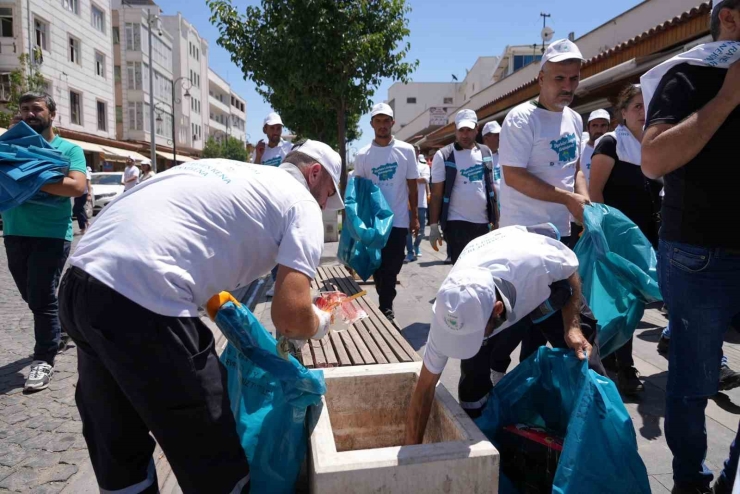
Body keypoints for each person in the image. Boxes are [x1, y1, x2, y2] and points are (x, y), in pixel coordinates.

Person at [58, 140, 343, 494]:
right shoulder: (301, 203)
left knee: (119, 447)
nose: (326, 205)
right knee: (215, 460)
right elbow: (290, 317)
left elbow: (192, 241)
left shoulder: (231, 171)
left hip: (78, 285)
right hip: (145, 297)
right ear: (314, 173)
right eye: (328, 194)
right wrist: (323, 321)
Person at [640, 1, 740, 492]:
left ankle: (732, 477)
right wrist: (727, 98)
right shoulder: (689, 74)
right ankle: (690, 482)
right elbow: (653, 159)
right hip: (699, 256)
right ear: (731, 17)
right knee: (693, 383)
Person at [404, 225, 595, 443]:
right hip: (495, 277)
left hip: (547, 283)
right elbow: (424, 389)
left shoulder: (537, 264)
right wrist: (412, 453)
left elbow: (570, 270)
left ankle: (589, 437)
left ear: (496, 310)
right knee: (472, 385)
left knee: (584, 358)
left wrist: (572, 326)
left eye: (471, 335)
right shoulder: (450, 308)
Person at [1, 92, 87, 392]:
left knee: (41, 294)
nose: (29, 114)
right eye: (24, 109)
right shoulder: (11, 146)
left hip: (51, 233)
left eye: (36, 109)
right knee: (33, 296)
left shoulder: (69, 149)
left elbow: (76, 186)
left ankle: (44, 359)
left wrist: (28, 177)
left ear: (52, 113)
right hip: (14, 230)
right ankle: (63, 328)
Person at [589, 84, 662, 395]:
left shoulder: (655, 143)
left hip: (646, 235)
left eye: (648, 105)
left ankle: (617, 361)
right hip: (616, 237)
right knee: (623, 303)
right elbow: (595, 192)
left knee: (636, 303)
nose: (643, 112)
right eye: (637, 106)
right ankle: (625, 367)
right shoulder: (610, 144)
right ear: (623, 112)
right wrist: (602, 234)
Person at [498, 39, 590, 248]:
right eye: (559, 78)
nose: (567, 86)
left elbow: (575, 170)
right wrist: (568, 199)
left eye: (573, 78)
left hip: (563, 231)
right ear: (541, 78)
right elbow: (513, 176)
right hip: (524, 232)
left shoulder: (574, 118)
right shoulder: (521, 118)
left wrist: (585, 205)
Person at [354, 103, 419, 320]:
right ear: (372, 124)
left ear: (392, 122)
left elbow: (412, 185)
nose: (382, 125)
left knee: (393, 264)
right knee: (378, 266)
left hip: (398, 220)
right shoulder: (363, 154)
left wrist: (415, 217)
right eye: (378, 121)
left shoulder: (406, 150)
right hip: (374, 223)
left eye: (386, 121)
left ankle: (385, 302)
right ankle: (386, 306)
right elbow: (360, 190)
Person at [428, 109, 499, 264]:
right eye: (461, 130)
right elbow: (437, 194)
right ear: (455, 130)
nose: (465, 135)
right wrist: (434, 226)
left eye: (469, 130)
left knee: (482, 270)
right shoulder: (444, 155)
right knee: (462, 271)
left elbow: (490, 187)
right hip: (456, 224)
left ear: (477, 129)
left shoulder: (485, 152)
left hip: (483, 223)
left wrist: (496, 220)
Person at [405, 149, 430, 261]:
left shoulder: (424, 166)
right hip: (407, 203)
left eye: (414, 152)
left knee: (422, 229)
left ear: (418, 152)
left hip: (421, 203)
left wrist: (410, 179)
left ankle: (416, 245)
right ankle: (410, 252)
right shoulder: (404, 166)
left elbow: (425, 179)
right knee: (408, 229)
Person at [580, 109, 611, 185]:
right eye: (594, 125)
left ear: (609, 128)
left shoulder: (616, 149)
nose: (599, 130)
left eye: (603, 125)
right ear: (588, 128)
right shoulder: (579, 149)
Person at [481, 121, 502, 213]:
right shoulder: (478, 157)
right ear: (486, 138)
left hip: (506, 209)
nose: (499, 137)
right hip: (488, 210)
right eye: (496, 135)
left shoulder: (505, 155)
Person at [73, 166, 93, 235]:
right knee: (80, 209)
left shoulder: (85, 171)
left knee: (77, 209)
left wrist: (89, 194)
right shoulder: (78, 169)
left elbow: (88, 184)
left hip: (84, 193)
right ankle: (86, 224)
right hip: (77, 193)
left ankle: (83, 227)